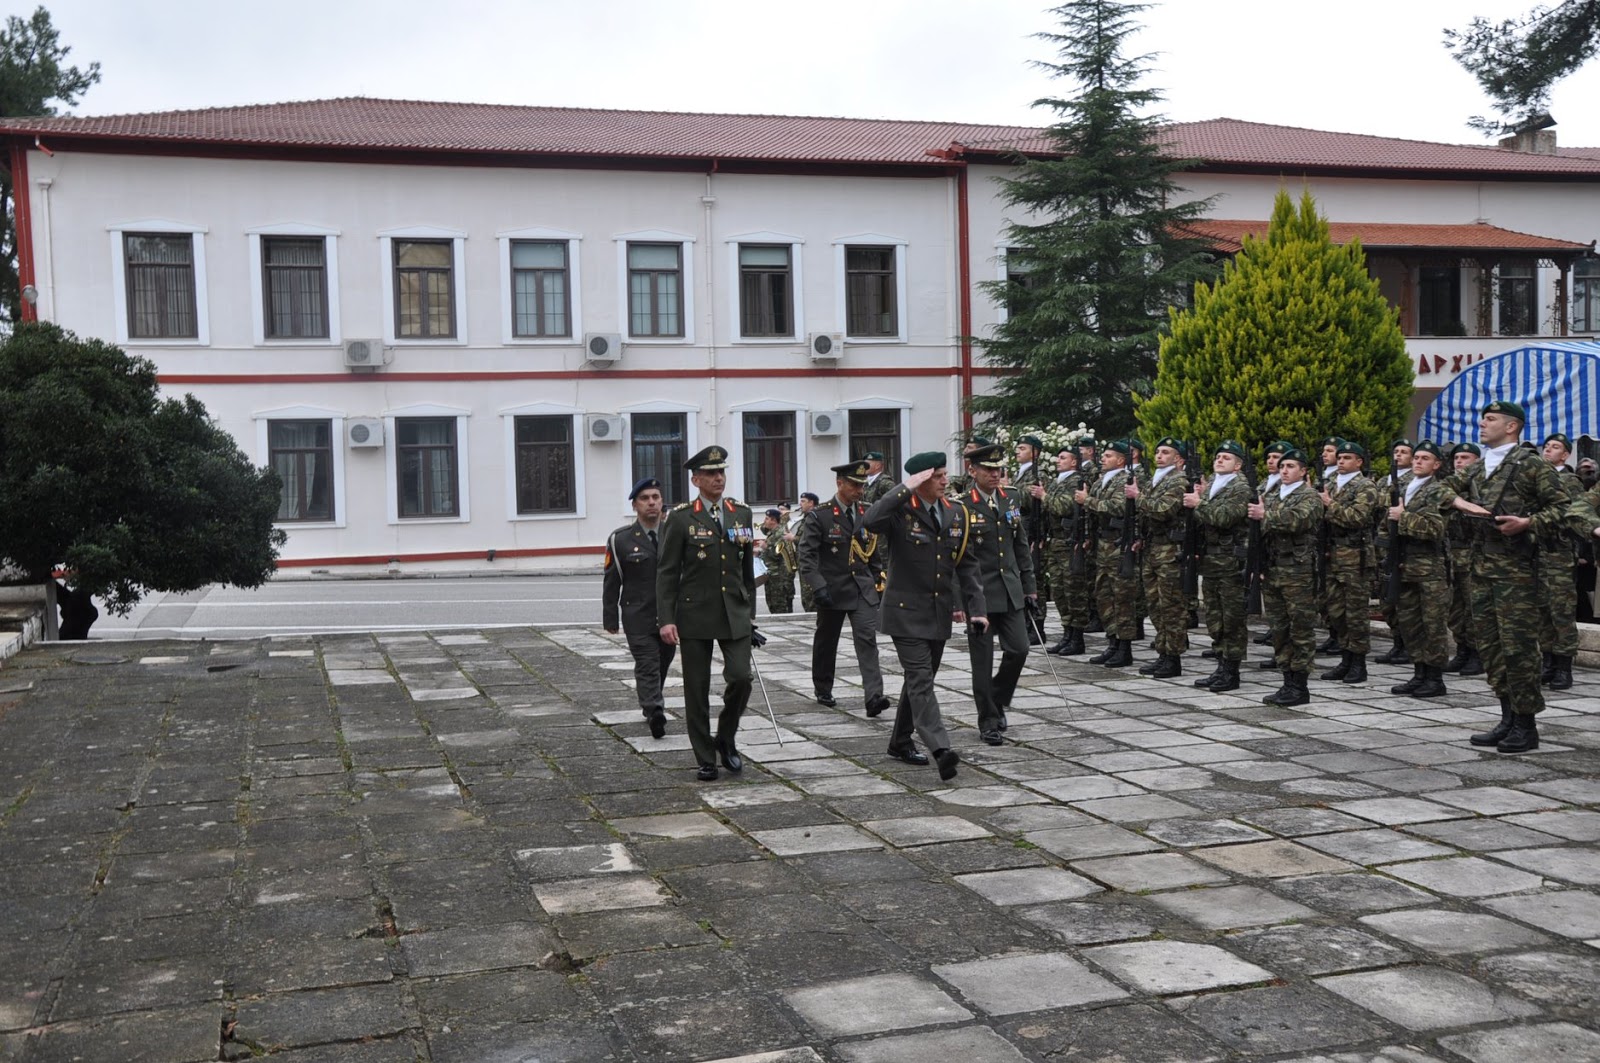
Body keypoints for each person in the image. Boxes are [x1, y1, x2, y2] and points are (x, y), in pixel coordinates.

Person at [1442, 401, 1599, 754]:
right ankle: (1507, 716)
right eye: (1483, 418)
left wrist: (1528, 523)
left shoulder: (1530, 466)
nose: (1483, 424)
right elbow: (1438, 490)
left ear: (1512, 427)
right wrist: (1462, 503)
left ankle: (1526, 725)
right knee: (1493, 649)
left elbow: (1564, 507)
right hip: (1482, 572)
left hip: (1518, 574)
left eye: (1491, 419)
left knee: (1519, 650)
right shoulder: (1479, 468)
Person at [863, 451, 987, 780]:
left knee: (920, 681)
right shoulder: (900, 509)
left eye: (945, 475)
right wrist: (904, 488)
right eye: (937, 476)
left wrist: (977, 610)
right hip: (904, 613)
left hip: (938, 613)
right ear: (919, 480)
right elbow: (869, 520)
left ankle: (900, 741)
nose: (945, 481)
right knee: (920, 679)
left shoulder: (956, 512)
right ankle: (941, 748)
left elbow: (967, 564)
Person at [656, 445, 758, 781]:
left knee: (741, 678)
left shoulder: (741, 513)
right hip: (694, 613)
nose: (718, 478)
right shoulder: (682, 517)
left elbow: (746, 570)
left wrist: (750, 615)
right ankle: (705, 757)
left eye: (722, 472)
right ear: (696, 479)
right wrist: (667, 619)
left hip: (735, 612)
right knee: (696, 688)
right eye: (711, 474)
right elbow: (668, 572)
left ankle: (725, 738)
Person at [956, 442, 1036, 744]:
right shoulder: (962, 506)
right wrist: (957, 600)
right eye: (988, 469)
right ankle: (988, 720)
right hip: (980, 596)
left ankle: (997, 697)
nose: (994, 474)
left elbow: (1020, 546)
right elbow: (957, 558)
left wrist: (1030, 588)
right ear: (972, 471)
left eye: (998, 469)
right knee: (983, 661)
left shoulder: (1011, 498)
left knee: (1019, 649)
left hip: (1011, 590)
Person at [799, 459, 890, 717]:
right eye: (854, 485)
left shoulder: (866, 512)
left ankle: (874, 696)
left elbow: (872, 552)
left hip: (862, 588)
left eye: (862, 485)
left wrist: (879, 581)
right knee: (827, 640)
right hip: (832, 589)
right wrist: (818, 587)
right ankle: (823, 687)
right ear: (840, 484)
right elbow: (807, 556)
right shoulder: (821, 515)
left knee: (867, 639)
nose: (859, 490)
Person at [603, 477, 675, 738]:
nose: (652, 503)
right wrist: (610, 617)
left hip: (670, 615)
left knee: (664, 661)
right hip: (637, 614)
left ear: (662, 501)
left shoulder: (674, 532)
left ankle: (651, 700)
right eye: (645, 499)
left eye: (655, 497)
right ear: (635, 505)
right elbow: (612, 580)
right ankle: (655, 711)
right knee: (647, 663)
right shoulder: (620, 539)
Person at [1250, 448, 1322, 706]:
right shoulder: (1272, 496)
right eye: (1282, 466)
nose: (1284, 470)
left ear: (1303, 471)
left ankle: (1300, 685)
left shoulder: (1309, 496)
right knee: (1279, 628)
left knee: (1300, 628)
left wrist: (1265, 516)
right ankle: (1286, 680)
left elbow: (1298, 520)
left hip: (1298, 571)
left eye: (1291, 466)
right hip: (1273, 569)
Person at [1387, 441, 1451, 698]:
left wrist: (1403, 518)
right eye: (1417, 457)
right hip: (1405, 564)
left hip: (1430, 568)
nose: (1418, 462)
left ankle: (1435, 678)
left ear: (1436, 465)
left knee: (1432, 624)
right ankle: (1419, 673)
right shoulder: (1403, 488)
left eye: (1425, 458)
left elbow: (1436, 528)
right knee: (1410, 622)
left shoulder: (1439, 491)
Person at [1187, 441, 1252, 691]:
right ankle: (1221, 665)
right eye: (1218, 456)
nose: (1220, 460)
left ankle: (1232, 671)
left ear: (1238, 465)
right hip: (1212, 560)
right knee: (1214, 616)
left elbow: (1225, 518)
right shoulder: (1214, 485)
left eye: (1226, 457)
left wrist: (1199, 503)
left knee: (1231, 617)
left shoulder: (1240, 487)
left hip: (1230, 561)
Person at [1318, 441, 1380, 684]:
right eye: (1340, 457)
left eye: (1347, 457)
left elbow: (1357, 517)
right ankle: (1345, 658)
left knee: (1355, 613)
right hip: (1332, 556)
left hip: (1355, 559)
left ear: (1359, 462)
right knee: (1337, 612)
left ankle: (1358, 663)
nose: (1341, 461)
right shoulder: (1331, 484)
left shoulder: (1366, 487)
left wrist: (1329, 504)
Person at [1129, 436, 1189, 677]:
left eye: (1166, 452)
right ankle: (1163, 652)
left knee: (1170, 606)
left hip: (1170, 551)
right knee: (1155, 604)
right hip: (1152, 549)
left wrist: (1138, 497)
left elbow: (1164, 510)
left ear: (1179, 459)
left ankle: (1173, 657)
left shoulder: (1179, 480)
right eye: (1158, 451)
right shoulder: (1157, 481)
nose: (1159, 456)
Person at [1078, 439, 1138, 667]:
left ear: (1121, 460)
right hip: (1102, 546)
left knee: (1121, 597)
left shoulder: (1125, 480)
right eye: (1103, 455)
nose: (1103, 458)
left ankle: (1124, 647)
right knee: (1103, 595)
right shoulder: (1102, 481)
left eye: (1109, 456)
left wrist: (1089, 500)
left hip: (1118, 545)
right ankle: (1112, 643)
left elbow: (1117, 507)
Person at [1537, 432, 1586, 690]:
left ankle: (1564, 667)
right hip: (1538, 555)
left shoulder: (1570, 481)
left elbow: (1576, 515)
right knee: (1543, 611)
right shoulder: (1536, 478)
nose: (1548, 450)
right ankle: (1548, 663)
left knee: (1561, 611)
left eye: (1554, 447)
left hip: (1559, 554)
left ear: (1565, 455)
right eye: (1546, 446)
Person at [1042, 446, 1090, 656]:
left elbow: (1063, 507)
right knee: (1059, 590)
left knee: (1073, 591)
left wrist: (1044, 496)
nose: (1057, 461)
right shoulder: (1057, 481)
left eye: (1063, 458)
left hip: (1070, 543)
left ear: (1074, 462)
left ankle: (1077, 637)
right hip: (1056, 542)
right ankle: (1067, 633)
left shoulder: (1076, 482)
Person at [1443, 443, 1484, 676]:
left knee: (1473, 608)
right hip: (1451, 556)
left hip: (1472, 556)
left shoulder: (1481, 487)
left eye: (1465, 457)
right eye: (1456, 457)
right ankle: (1462, 650)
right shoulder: (1449, 489)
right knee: (1455, 608)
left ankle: (1477, 653)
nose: (1459, 462)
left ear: (1476, 460)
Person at [1012, 435, 1050, 645]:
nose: (1017, 451)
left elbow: (1028, 500)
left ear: (1035, 452)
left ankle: (1037, 625)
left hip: (1031, 530)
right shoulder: (1021, 473)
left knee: (1034, 578)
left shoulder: (1039, 473)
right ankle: (1026, 622)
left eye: (1022, 448)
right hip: (1021, 529)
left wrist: (1008, 488)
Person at [761, 508, 796, 614]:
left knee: (781, 609)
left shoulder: (781, 533)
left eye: (766, 519)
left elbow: (778, 554)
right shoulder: (773, 533)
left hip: (780, 578)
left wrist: (766, 547)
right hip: (773, 576)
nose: (764, 521)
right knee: (773, 606)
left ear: (773, 520)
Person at [796, 493, 820, 611]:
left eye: (803, 501)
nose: (800, 504)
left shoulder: (814, 517)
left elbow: (808, 540)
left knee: (811, 598)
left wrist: (792, 538)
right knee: (806, 598)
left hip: (812, 563)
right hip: (804, 563)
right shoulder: (805, 518)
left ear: (811, 503)